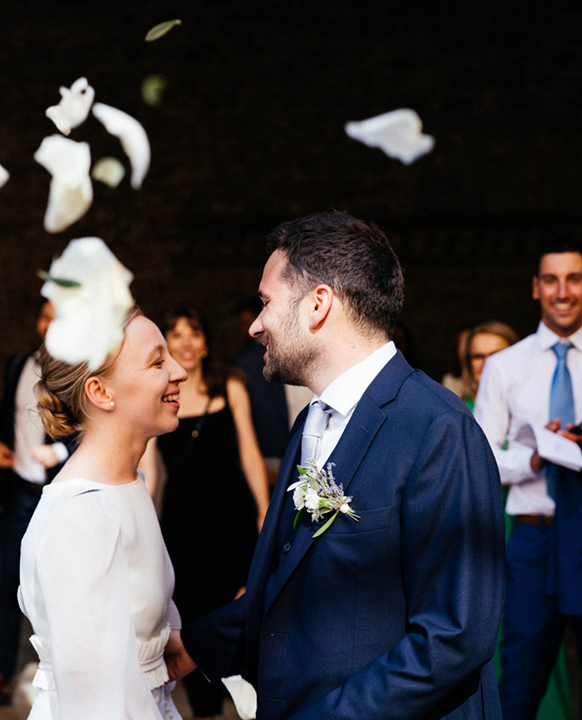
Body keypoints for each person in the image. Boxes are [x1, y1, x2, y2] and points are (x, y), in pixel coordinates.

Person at [168, 211, 505, 720]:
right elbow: (298, 588)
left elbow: (454, 636)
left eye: (266, 303)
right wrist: (194, 645)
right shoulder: (310, 421)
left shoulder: (438, 429)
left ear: (318, 304)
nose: (255, 325)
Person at [473, 241, 582, 720]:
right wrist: (535, 458)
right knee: (520, 682)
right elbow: (483, 457)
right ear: (535, 289)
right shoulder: (506, 366)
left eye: (574, 279)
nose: (562, 291)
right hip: (533, 539)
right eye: (551, 280)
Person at [18, 308, 189, 719]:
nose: (180, 371)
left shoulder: (127, 486)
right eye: (157, 361)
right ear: (101, 392)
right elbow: (95, 703)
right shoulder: (81, 515)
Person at [148, 305, 270, 720]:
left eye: (193, 332)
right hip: (182, 522)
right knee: (194, 617)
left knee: (236, 607)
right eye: (175, 333)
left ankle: (248, 702)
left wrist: (263, 510)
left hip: (232, 516)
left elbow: (249, 453)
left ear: (205, 342)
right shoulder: (158, 394)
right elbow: (148, 468)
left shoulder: (229, 386)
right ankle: (205, 711)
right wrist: (140, 522)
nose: (184, 341)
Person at [0, 300, 71, 703]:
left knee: (60, 586)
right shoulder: (17, 365)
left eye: (59, 316)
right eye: (45, 315)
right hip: (18, 490)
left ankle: (65, 675)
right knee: (6, 583)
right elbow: (4, 418)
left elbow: (92, 425)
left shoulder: (78, 370)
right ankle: (0, 671)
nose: (50, 323)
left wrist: (63, 453)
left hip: (59, 493)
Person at [232, 297, 291, 485]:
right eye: (242, 324)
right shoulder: (245, 361)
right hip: (272, 454)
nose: (247, 329)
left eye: (246, 322)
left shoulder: (249, 362)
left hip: (272, 451)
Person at [451, 322, 519, 410]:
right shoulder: (457, 410)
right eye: (478, 356)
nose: (487, 363)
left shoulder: (533, 403)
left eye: (496, 355)